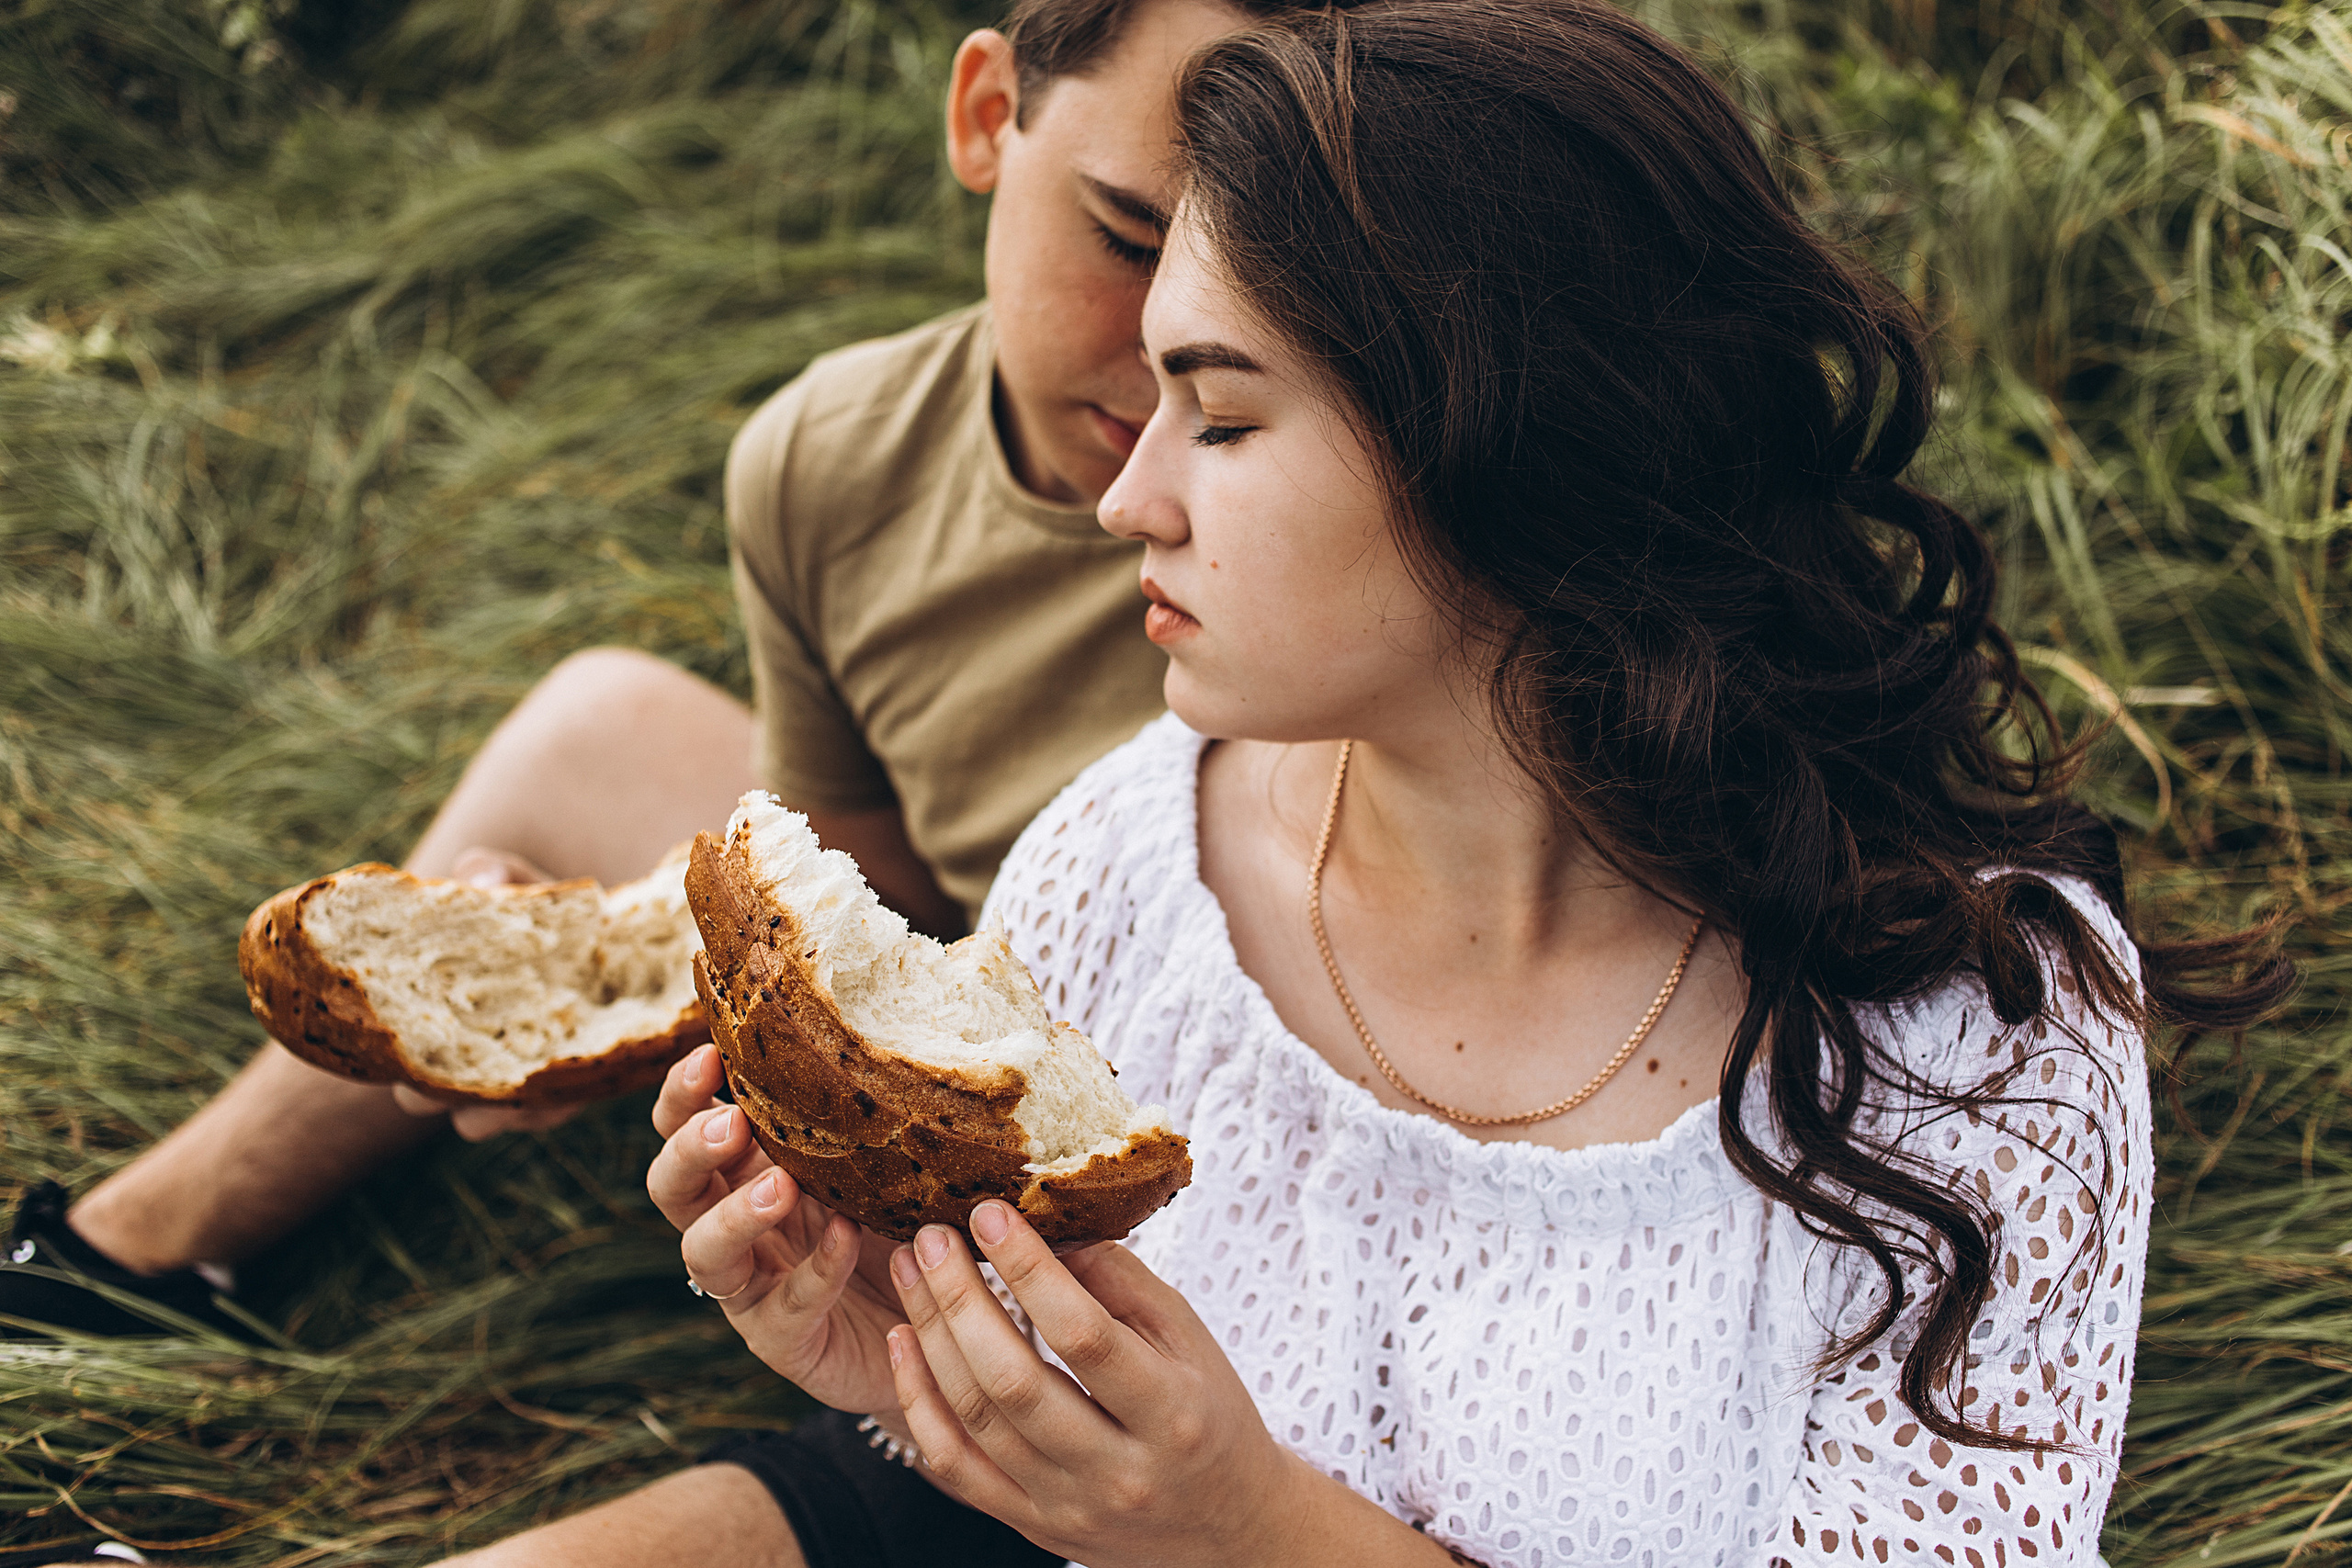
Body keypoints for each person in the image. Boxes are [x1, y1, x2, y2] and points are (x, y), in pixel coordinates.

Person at [644, 0, 2294, 1563]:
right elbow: (1069, 1514)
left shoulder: (1971, 1040)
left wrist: (1257, 1540)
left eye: (1218, 417)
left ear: (1500, 439)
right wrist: (913, 1365)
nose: (1126, 499)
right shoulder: (1117, 875)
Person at [0, 0, 1277, 1341]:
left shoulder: (1335, 516)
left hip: (1202, 1070)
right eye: (1130, 237)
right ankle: (123, 1254)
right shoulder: (831, 457)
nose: (1169, 346)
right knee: (596, 726)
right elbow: (870, 866)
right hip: (998, 955)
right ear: (982, 117)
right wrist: (590, 998)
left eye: (1259, 286)